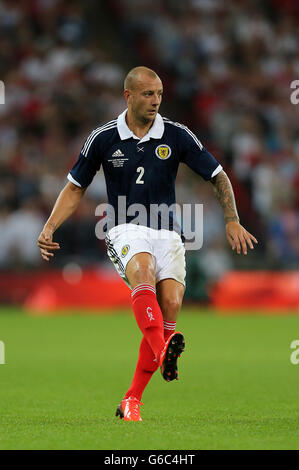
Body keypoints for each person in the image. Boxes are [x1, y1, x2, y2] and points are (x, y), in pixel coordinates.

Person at [38, 66, 258, 422]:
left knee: (169, 303)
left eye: (159, 94)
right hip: (124, 225)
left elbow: (218, 176)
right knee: (143, 272)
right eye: (147, 94)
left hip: (168, 232)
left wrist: (232, 219)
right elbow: (75, 187)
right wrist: (50, 226)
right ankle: (164, 348)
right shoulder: (104, 137)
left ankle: (132, 400)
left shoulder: (177, 134)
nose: (155, 101)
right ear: (128, 96)